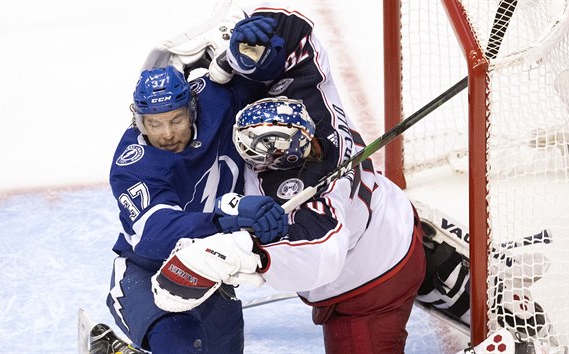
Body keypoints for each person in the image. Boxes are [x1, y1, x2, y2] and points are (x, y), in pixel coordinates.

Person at [152, 97, 427, 354]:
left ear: (285, 154)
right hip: (394, 216)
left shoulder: (319, 200)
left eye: (256, 152)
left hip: (371, 286)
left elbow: (322, 257)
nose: (249, 157)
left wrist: (251, 255)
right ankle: (438, 267)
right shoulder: (318, 110)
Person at [103, 64, 289, 354]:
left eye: (176, 120)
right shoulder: (134, 164)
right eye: (154, 124)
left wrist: (252, 51)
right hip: (147, 271)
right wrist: (227, 219)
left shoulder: (214, 101)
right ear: (139, 122)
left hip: (212, 269)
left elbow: (267, 74)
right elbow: (156, 235)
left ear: (191, 110)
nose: (166, 134)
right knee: (179, 343)